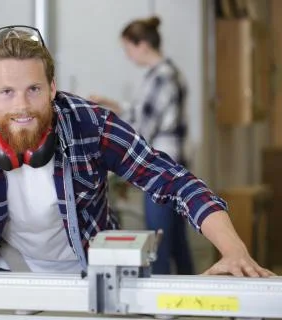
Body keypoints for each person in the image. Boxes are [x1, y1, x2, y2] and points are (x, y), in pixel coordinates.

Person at [0, 25, 273, 278]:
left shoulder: (90, 125)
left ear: (52, 89)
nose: (21, 105)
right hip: (6, 274)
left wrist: (233, 251)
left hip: (90, 273)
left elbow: (173, 180)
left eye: (33, 90)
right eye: (6, 92)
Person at [89, 16, 195, 275]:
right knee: (177, 241)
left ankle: (158, 306)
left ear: (143, 45)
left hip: (161, 171)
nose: (128, 56)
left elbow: (142, 129)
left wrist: (108, 150)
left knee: (157, 241)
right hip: (174, 166)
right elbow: (144, 112)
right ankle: (191, 298)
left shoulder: (162, 77)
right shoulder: (166, 73)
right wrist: (113, 105)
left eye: (128, 48)